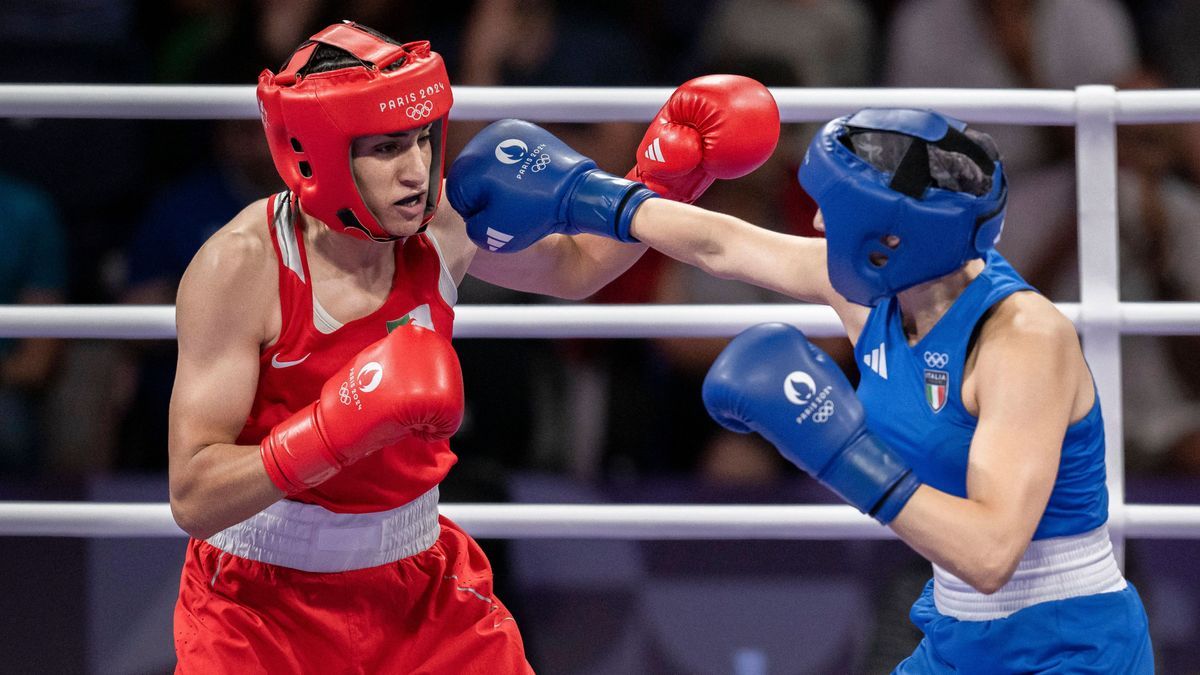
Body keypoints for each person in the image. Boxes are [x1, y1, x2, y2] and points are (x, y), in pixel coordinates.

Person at [166, 20, 780, 672]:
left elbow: (576, 268)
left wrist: (666, 172)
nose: (418, 170)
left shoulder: (440, 228)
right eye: (386, 148)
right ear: (316, 152)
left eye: (423, 139)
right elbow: (194, 495)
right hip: (259, 604)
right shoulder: (243, 265)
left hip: (418, 586)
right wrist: (329, 430)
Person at [449, 107, 1153, 671]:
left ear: (889, 240)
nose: (817, 224)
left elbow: (991, 552)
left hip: (1068, 645)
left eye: (834, 212)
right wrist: (589, 195)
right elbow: (722, 245)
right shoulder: (879, 292)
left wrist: (836, 447)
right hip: (959, 631)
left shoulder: (1020, 338)